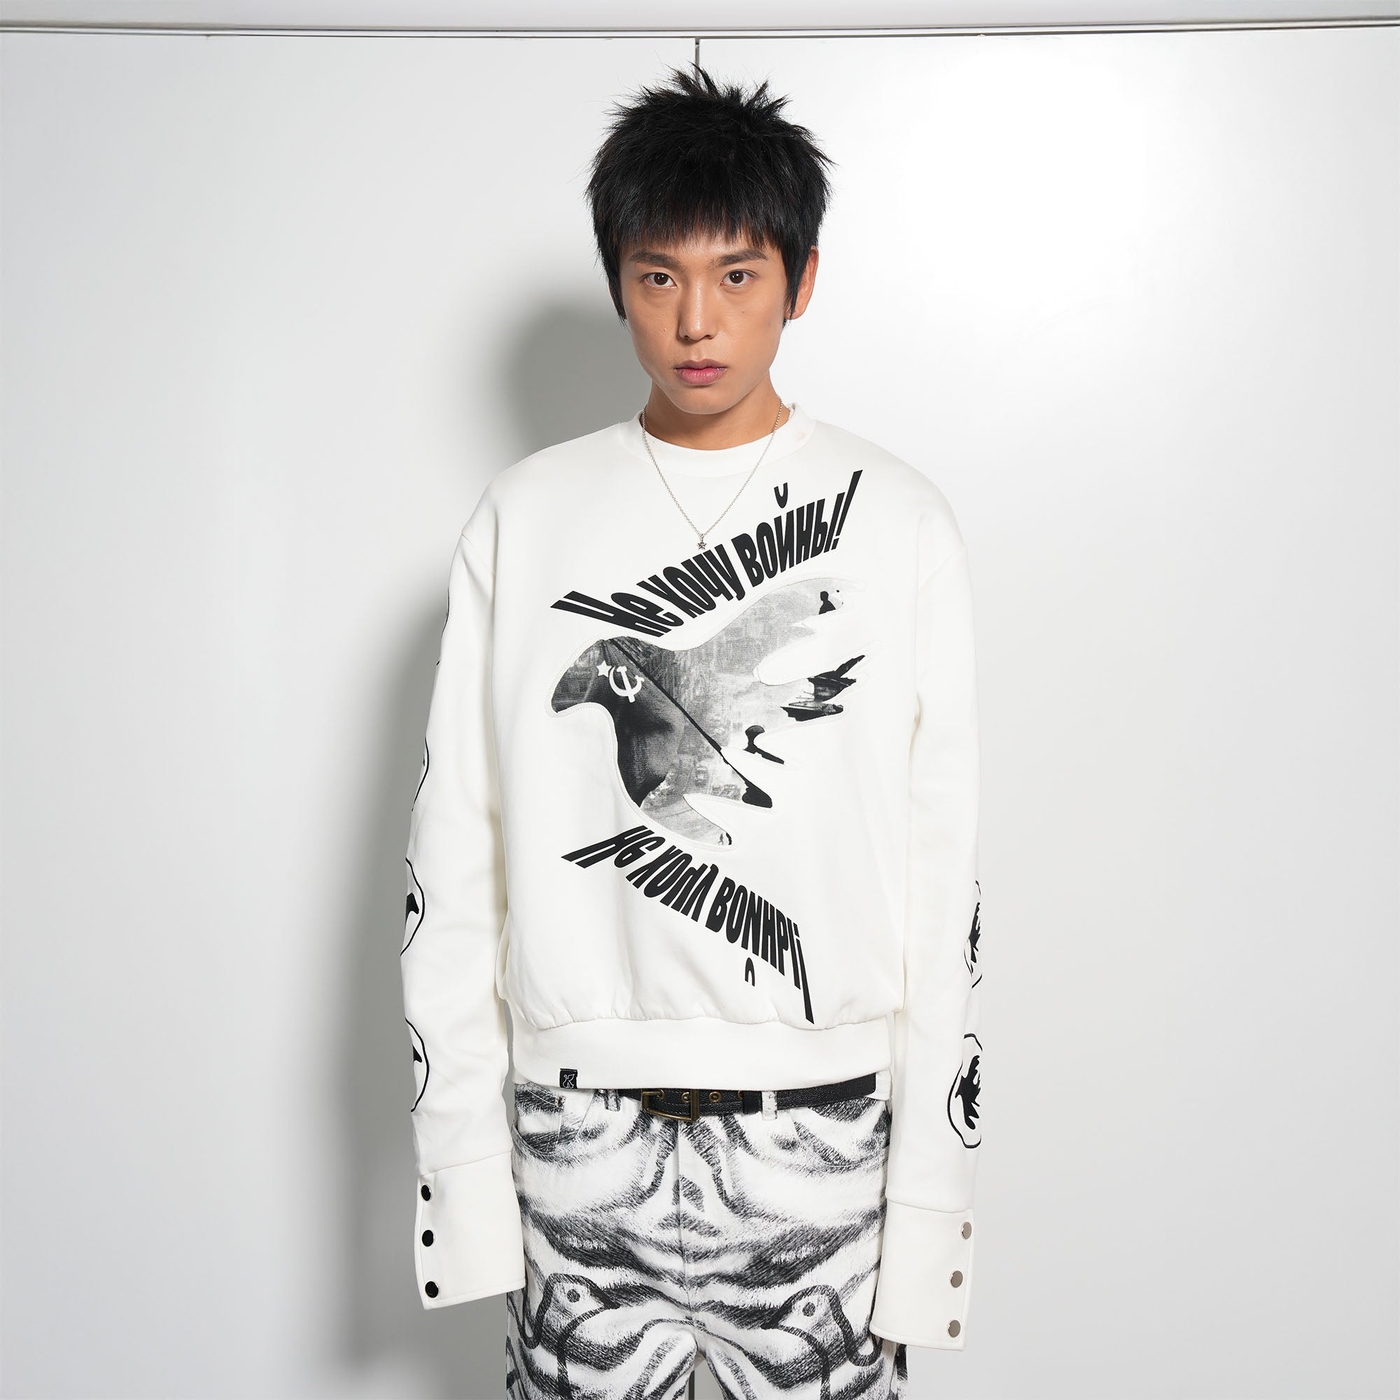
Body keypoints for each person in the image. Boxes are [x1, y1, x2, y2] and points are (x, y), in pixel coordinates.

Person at [399, 64, 983, 1399]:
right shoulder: (526, 517)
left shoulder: (898, 522)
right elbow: (454, 863)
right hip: (576, 1136)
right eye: (658, 276)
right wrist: (464, 1175)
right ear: (618, 282)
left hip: (826, 1141)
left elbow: (942, 879)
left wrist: (932, 1212)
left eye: (737, 274)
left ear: (802, 281)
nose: (696, 319)